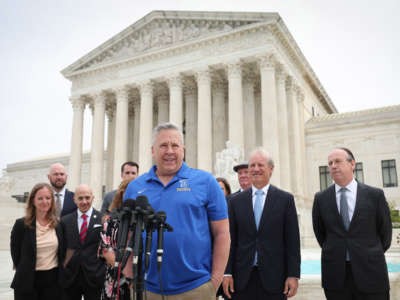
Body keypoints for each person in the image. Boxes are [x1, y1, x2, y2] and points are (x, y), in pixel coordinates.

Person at [124, 122, 230, 300]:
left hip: (196, 289)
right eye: (163, 145)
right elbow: (128, 235)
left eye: (175, 145)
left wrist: (214, 282)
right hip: (147, 289)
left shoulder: (206, 182)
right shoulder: (135, 187)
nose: (169, 151)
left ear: (183, 149)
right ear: (153, 150)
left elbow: (222, 233)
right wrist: (130, 278)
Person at [312, 147, 392, 300]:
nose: (333, 166)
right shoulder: (321, 199)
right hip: (336, 278)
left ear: (352, 164)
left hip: (371, 274)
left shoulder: (375, 195)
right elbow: (321, 234)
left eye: (338, 161)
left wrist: (367, 253)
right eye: (330, 163)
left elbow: (385, 234)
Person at [223, 148, 301, 300]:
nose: (255, 169)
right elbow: (230, 241)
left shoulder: (285, 200)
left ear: (271, 169)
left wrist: (293, 275)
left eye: (260, 165)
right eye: (252, 166)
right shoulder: (234, 202)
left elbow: (292, 242)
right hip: (241, 279)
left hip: (275, 279)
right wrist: (227, 272)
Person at [10, 182, 63, 300]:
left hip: (52, 282)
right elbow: (15, 253)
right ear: (33, 201)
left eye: (48, 198)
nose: (45, 201)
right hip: (27, 281)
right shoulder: (21, 224)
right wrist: (24, 268)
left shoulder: (58, 224)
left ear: (52, 201)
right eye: (40, 198)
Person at [60, 184, 106, 300]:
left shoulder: (103, 219)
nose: (84, 201)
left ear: (93, 198)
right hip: (70, 278)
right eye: (80, 198)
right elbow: (61, 248)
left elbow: (107, 247)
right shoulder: (65, 221)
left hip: (94, 277)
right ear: (74, 199)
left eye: (87, 197)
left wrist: (101, 272)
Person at [98, 178, 134, 300]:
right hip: (115, 280)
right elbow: (105, 250)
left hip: (139, 282)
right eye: (128, 191)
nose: (132, 195)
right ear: (121, 194)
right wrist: (127, 276)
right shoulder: (110, 221)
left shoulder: (145, 223)